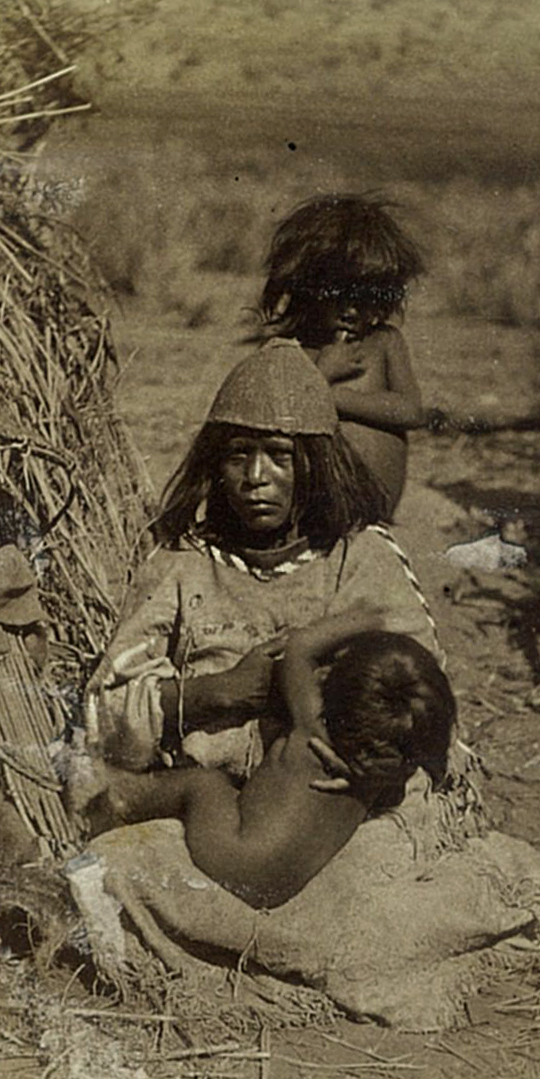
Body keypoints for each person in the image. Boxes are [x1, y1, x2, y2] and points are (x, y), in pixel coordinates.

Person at [74, 338, 451, 828]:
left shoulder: (360, 557)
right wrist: (220, 692)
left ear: (315, 465)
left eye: (279, 456)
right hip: (203, 813)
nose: (256, 476)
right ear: (215, 467)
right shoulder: (182, 565)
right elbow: (102, 716)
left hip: (341, 804)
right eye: (238, 456)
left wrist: (365, 761)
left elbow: (426, 698)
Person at [75, 615, 457, 908]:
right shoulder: (382, 777)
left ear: (337, 692)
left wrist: (372, 620)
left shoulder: (313, 730)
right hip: (275, 890)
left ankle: (110, 806)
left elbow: (301, 648)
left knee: (203, 784)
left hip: (231, 857)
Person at [258, 193, 429, 516]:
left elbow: (411, 411)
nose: (352, 310)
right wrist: (321, 372)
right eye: (339, 296)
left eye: (365, 299)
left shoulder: (384, 342)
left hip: (375, 508)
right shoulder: (289, 347)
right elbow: (272, 415)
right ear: (307, 289)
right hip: (310, 511)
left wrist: (332, 395)